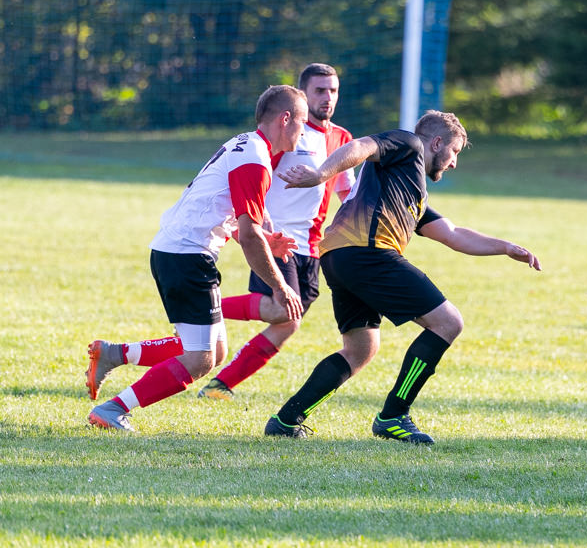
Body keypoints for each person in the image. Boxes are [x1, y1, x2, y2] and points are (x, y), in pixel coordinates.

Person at [265, 110, 541, 444]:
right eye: (453, 152)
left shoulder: (410, 188)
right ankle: (393, 415)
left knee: (360, 349)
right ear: (436, 142)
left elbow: (453, 234)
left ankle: (286, 420)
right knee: (448, 322)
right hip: (367, 252)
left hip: (340, 257)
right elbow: (363, 146)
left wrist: (506, 247)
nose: (453, 163)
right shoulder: (408, 144)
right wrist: (320, 174)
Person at [86, 85, 308, 431]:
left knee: (214, 350)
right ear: (285, 119)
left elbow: (227, 217)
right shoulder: (256, 160)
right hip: (186, 255)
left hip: (179, 249)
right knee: (200, 358)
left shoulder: (246, 143)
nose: (303, 131)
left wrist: (267, 240)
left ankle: (115, 354)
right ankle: (113, 409)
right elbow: (248, 236)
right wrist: (279, 286)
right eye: (302, 123)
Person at [196, 63, 355, 400]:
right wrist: (259, 224)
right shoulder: (288, 132)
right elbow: (254, 176)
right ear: (304, 93)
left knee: (288, 322)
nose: (328, 98)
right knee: (281, 310)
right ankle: (205, 308)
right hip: (278, 239)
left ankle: (219, 386)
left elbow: (347, 193)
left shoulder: (342, 138)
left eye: (333, 91)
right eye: (320, 91)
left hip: (311, 248)